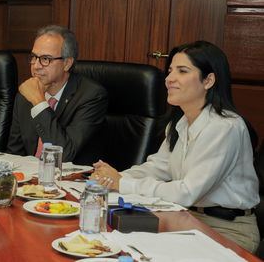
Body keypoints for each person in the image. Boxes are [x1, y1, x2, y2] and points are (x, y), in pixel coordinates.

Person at [92, 41, 259, 252]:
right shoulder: (180, 122)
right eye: (170, 70)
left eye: (182, 71)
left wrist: (122, 184)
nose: (169, 79)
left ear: (208, 80)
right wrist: (114, 177)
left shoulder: (225, 127)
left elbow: (187, 192)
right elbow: (157, 167)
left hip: (228, 229)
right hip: (185, 218)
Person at [7, 25, 107, 164]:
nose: (36, 66)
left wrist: (39, 102)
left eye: (46, 59)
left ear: (67, 63)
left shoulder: (91, 96)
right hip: (30, 180)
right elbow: (14, 154)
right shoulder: (26, 93)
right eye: (34, 57)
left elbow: (64, 154)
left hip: (72, 180)